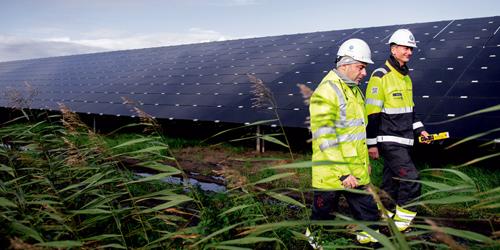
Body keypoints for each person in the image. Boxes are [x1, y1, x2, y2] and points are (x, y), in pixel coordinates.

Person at [308, 38, 380, 246]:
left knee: (368, 213)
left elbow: (357, 132)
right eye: (361, 67)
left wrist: (364, 162)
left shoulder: (355, 90)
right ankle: (314, 240)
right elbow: (325, 135)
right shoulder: (327, 91)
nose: (364, 73)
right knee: (323, 214)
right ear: (345, 65)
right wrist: (342, 171)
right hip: (332, 172)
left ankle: (369, 242)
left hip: (356, 169)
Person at [364, 29, 430, 232]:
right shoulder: (380, 76)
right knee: (411, 178)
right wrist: (372, 143)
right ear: (393, 49)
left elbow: (410, 110)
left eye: (411, 48)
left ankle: (383, 215)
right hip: (389, 140)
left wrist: (421, 131)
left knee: (391, 181)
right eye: (405, 48)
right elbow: (372, 113)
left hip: (405, 139)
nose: (409, 52)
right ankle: (402, 223)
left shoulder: (406, 77)